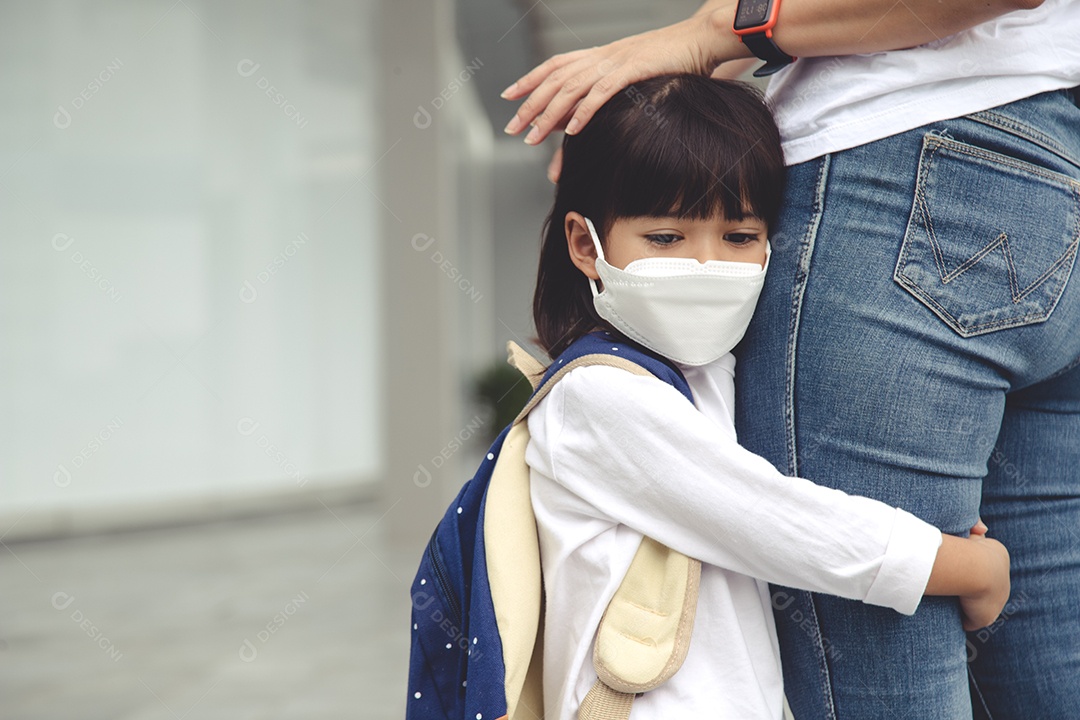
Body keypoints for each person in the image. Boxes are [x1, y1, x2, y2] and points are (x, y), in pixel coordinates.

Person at [504, 2, 1080, 718]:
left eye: (741, 237)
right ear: (585, 243)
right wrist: (956, 565)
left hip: (897, 145)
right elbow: (766, 518)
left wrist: (716, 32)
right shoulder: (596, 399)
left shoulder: (702, 371)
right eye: (665, 237)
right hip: (1051, 169)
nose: (707, 265)